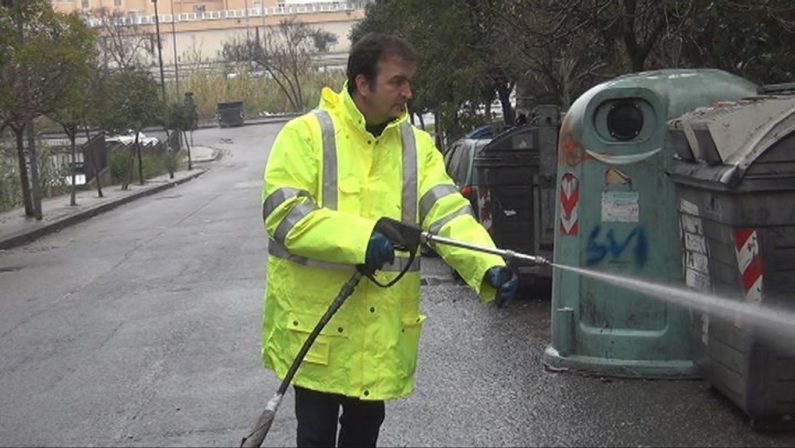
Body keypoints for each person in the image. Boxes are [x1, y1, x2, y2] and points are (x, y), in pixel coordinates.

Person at [260, 33, 519, 448]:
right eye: (397, 82)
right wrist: (363, 239)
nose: (408, 92)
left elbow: (446, 211)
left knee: (364, 436)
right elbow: (284, 213)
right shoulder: (305, 136)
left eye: (408, 82)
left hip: (376, 333)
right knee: (315, 436)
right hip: (318, 329)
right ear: (363, 83)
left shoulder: (415, 146)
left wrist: (486, 262)